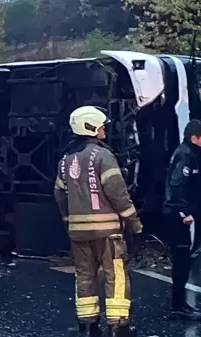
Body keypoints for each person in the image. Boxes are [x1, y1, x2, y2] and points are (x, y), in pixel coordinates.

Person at [54, 106, 142, 337]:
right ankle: (118, 326)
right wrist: (133, 221)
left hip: (78, 234)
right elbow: (117, 192)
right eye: (101, 125)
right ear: (90, 126)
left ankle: (88, 325)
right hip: (107, 232)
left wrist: (68, 219)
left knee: (84, 276)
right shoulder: (103, 156)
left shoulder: (66, 159)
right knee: (116, 275)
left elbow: (59, 194)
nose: (104, 128)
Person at [162, 119, 201, 321]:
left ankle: (179, 303)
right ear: (194, 138)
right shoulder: (185, 155)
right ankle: (178, 305)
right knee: (181, 260)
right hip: (181, 217)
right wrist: (184, 212)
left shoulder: (193, 154)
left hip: (186, 213)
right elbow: (177, 185)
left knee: (184, 260)